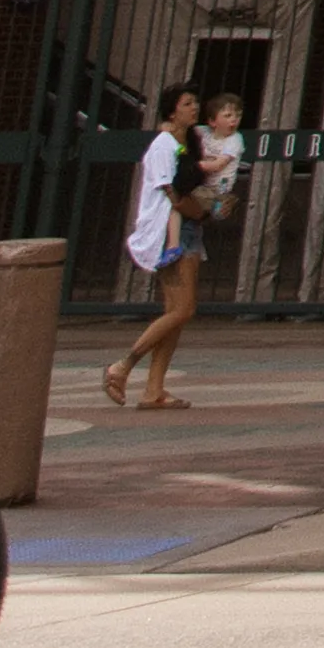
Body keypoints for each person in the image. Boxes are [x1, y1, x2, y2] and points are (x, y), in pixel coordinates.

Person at [101, 88, 208, 412]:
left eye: (195, 102)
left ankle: (154, 389)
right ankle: (122, 366)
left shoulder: (188, 144)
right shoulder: (164, 147)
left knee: (175, 313)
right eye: (187, 103)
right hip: (170, 230)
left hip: (187, 227)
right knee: (183, 309)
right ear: (171, 111)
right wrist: (203, 210)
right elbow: (172, 194)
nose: (195, 108)